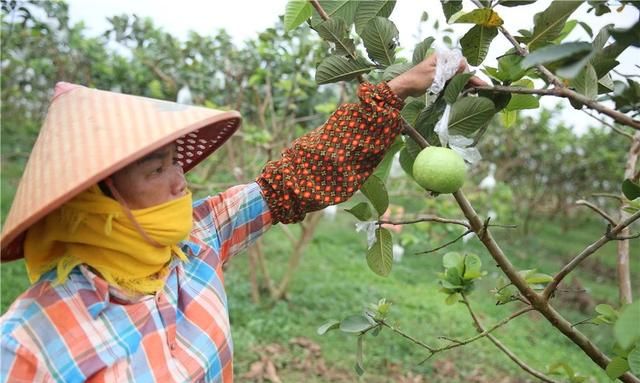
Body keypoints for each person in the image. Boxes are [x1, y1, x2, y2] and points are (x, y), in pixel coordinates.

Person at [0, 54, 484, 382]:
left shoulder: (195, 240)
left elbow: (295, 180)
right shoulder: (30, 340)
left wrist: (398, 88)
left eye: (176, 161)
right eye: (157, 168)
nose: (181, 181)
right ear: (95, 199)